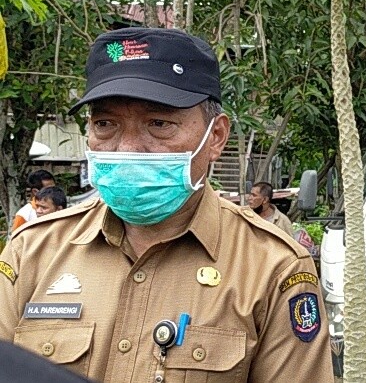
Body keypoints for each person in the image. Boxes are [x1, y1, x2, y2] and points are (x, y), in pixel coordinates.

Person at [0, 28, 332, 382]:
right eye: (105, 124)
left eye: (159, 124)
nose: (127, 148)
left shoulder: (273, 268)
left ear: (216, 136)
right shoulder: (32, 253)